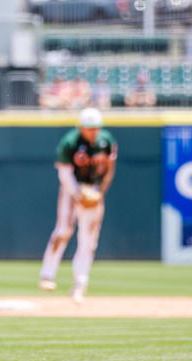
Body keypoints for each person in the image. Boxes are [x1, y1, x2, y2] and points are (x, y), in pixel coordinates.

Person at [38, 108, 117, 304]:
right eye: (89, 128)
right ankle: (47, 275)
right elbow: (64, 174)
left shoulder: (106, 141)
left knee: (88, 240)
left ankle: (80, 285)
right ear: (81, 127)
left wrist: (100, 193)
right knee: (63, 230)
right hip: (71, 189)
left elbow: (109, 169)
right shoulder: (70, 142)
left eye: (96, 128)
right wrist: (77, 194)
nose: (93, 132)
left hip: (94, 189)